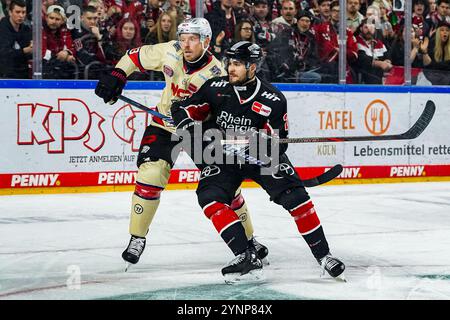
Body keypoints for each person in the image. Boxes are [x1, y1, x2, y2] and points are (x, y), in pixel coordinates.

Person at [94, 18, 268, 270]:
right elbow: (134, 56)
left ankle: (249, 241)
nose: (186, 45)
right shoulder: (170, 51)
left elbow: (229, 110)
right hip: (164, 124)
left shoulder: (217, 73)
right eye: (183, 38)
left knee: (226, 188)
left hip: (199, 130)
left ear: (206, 42)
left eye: (193, 39)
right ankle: (136, 238)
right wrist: (118, 74)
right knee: (151, 173)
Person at [171, 41, 345, 282]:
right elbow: (183, 108)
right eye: (230, 63)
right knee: (209, 196)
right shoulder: (215, 87)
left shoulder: (273, 99)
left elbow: (280, 143)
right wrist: (186, 121)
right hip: (224, 159)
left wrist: (263, 140)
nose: (231, 68)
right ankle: (245, 255)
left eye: (238, 64)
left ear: (252, 67)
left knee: (297, 198)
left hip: (260, 157)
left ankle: (324, 256)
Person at [0, 0, 32, 79]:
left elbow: (30, 54)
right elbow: (4, 54)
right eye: (17, 12)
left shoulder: (26, 29)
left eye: (23, 12)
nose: (21, 15)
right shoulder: (2, 28)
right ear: (10, 12)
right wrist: (24, 51)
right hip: (4, 75)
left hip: (23, 74)